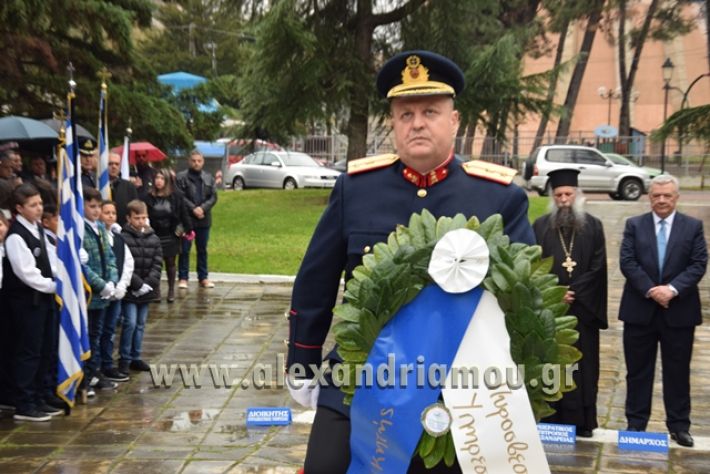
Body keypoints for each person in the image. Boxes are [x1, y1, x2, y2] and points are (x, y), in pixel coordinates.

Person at [287, 50, 535, 473]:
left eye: (430, 111)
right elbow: (316, 282)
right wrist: (303, 363)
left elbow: (526, 299)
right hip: (358, 376)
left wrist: (522, 379)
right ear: (393, 124)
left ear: (454, 121)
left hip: (460, 386)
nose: (417, 122)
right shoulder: (355, 190)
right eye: (405, 114)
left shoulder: (498, 198)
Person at [619, 174, 707, 447]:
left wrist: (671, 289)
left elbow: (698, 263)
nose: (661, 200)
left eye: (667, 195)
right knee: (637, 371)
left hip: (679, 311)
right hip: (639, 310)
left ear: (676, 197)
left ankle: (679, 426)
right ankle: (635, 424)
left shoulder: (692, 227)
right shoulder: (634, 225)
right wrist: (652, 290)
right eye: (656, 195)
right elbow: (628, 261)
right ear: (649, 196)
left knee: (677, 372)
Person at [532, 169, 608, 438]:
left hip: (583, 311)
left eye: (568, 194)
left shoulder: (594, 225)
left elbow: (598, 267)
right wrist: (555, 293)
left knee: (584, 367)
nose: (564, 199)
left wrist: (575, 292)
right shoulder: (540, 226)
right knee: (552, 364)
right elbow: (534, 266)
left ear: (577, 195)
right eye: (559, 195)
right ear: (553, 197)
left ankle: (583, 423)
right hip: (552, 310)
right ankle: (553, 418)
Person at [2, 184, 62, 421]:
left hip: (44, 299)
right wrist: (55, 285)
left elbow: (50, 259)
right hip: (26, 302)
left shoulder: (37, 229)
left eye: (39, 204)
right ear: (19, 208)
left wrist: (61, 277)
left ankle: (41, 394)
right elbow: (26, 273)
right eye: (33, 205)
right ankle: (24, 402)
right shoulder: (17, 235)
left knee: (46, 348)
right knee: (29, 352)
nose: (38, 209)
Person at [81, 187, 119, 394]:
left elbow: (110, 258)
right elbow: (82, 266)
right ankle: (85, 377)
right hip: (90, 294)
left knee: (97, 334)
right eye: (91, 206)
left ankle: (93, 373)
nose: (96, 211)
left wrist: (111, 281)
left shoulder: (100, 228)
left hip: (104, 293)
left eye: (98, 207)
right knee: (87, 336)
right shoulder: (79, 230)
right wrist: (100, 285)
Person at [119, 199, 162, 373]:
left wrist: (148, 283)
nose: (141, 221)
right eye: (137, 218)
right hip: (131, 289)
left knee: (141, 323)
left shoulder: (153, 237)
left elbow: (157, 263)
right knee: (130, 322)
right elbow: (124, 263)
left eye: (143, 217)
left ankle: (136, 356)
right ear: (129, 218)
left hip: (147, 289)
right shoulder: (123, 238)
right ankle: (125, 358)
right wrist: (136, 284)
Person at [99, 200, 134, 382]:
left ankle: (107, 364)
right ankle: (98, 365)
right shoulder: (99, 237)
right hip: (102, 292)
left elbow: (128, 263)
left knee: (111, 329)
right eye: (107, 212)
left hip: (116, 293)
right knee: (100, 330)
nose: (111, 216)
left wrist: (122, 286)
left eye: (113, 213)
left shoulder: (119, 238)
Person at [146, 168, 192, 302]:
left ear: (167, 181)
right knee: (156, 264)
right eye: (157, 178)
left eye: (162, 178)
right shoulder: (148, 197)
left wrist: (184, 229)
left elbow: (184, 216)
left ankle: (171, 289)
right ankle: (156, 290)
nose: (159, 181)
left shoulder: (176, 196)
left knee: (170, 262)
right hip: (155, 234)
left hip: (170, 235)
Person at [176, 150, 217, 289]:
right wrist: (193, 208)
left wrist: (203, 208)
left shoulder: (208, 177)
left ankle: (203, 277)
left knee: (202, 249)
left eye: (199, 161)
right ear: (189, 161)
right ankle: (183, 277)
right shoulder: (181, 177)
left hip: (204, 219)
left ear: (203, 161)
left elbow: (213, 197)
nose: (196, 163)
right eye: (193, 160)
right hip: (187, 219)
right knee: (184, 250)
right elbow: (179, 196)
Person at [107, 152, 138, 227]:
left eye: (117, 164)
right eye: (110, 164)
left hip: (124, 230)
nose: (114, 167)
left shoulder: (129, 186)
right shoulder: (97, 185)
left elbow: (135, 209)